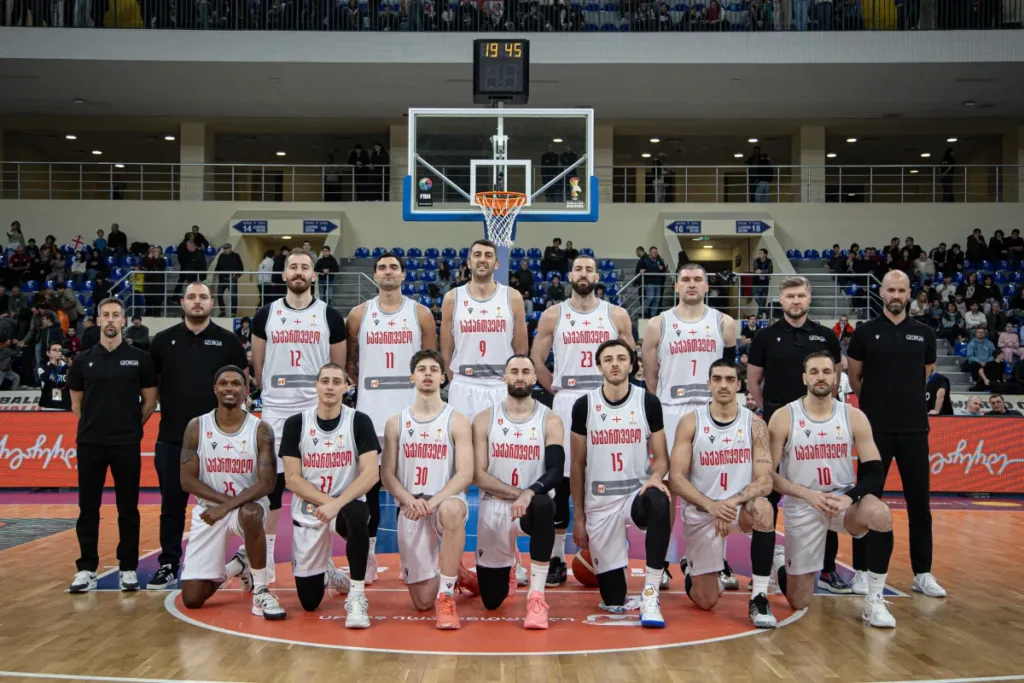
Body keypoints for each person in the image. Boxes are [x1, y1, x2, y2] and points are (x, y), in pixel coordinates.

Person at [767, 351, 897, 628]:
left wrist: (848, 498)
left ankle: (874, 600)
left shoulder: (853, 416)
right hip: (803, 503)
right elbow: (768, 475)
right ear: (804, 378)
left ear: (836, 377)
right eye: (814, 372)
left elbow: (875, 471)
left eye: (826, 371)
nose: (820, 377)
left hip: (842, 500)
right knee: (800, 601)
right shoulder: (783, 417)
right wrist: (808, 495)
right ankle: (781, 563)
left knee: (880, 514)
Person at [530, 255, 635, 586]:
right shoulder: (553, 314)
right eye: (579, 269)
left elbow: (629, 359)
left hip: (606, 402)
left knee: (605, 476)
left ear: (597, 276)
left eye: (589, 269)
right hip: (567, 398)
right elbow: (536, 359)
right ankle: (558, 556)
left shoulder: (615, 314)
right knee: (561, 479)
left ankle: (610, 552)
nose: (584, 274)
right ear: (570, 275)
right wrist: (556, 387)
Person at [847, 270, 946, 598]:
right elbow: (855, 378)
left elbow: (924, 376)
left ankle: (923, 572)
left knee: (920, 504)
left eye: (901, 290)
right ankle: (860, 571)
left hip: (915, 430)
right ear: (882, 291)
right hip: (874, 432)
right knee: (866, 501)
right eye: (890, 289)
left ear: (908, 293)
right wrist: (875, 406)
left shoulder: (925, 333)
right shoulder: (865, 332)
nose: (896, 294)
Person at [745, 275, 847, 593]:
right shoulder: (765, 336)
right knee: (767, 495)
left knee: (825, 495)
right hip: (778, 427)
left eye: (800, 295)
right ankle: (764, 572)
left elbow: (833, 379)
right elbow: (752, 382)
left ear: (809, 298)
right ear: (781, 299)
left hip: (817, 429)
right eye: (789, 296)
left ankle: (827, 570)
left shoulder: (826, 336)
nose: (795, 301)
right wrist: (773, 416)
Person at [250, 250, 347, 583]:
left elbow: (337, 367)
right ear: (283, 275)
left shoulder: (330, 316)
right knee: (272, 488)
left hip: (315, 411)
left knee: (319, 487)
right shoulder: (266, 314)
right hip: (276, 409)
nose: (299, 272)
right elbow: (258, 366)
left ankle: (323, 561)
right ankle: (267, 566)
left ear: (314, 275)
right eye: (293, 266)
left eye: (305, 267)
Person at [146, 282, 248, 590]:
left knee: (228, 505)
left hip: (218, 443)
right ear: (182, 302)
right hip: (173, 438)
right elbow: (156, 387)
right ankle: (168, 563)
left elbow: (239, 388)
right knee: (171, 506)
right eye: (192, 297)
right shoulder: (162, 341)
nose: (197, 301)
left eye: (203, 297)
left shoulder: (228, 341)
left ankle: (234, 561)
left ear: (212, 302)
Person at [641, 262, 736, 589]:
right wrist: (654, 415)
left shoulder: (725, 323)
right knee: (666, 492)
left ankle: (713, 561)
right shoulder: (657, 324)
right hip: (670, 411)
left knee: (712, 491)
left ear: (707, 286)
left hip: (712, 415)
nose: (692, 284)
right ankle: (663, 561)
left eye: (698, 279)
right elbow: (650, 374)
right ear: (676, 286)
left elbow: (730, 373)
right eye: (686, 279)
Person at [346, 251, 436, 583]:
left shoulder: (420, 313)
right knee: (368, 488)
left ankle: (412, 557)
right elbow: (351, 365)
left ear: (403, 275)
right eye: (382, 267)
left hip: (408, 416)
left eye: (394, 267)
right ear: (374, 275)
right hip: (369, 413)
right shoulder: (358, 315)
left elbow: (430, 361)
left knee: (410, 490)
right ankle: (368, 557)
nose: (388, 271)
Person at [669, 358, 777, 628]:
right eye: (717, 379)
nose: (723, 385)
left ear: (739, 385)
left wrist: (729, 502)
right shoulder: (691, 422)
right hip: (703, 511)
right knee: (707, 601)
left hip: (738, 508)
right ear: (709, 384)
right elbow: (676, 478)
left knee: (764, 508)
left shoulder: (756, 425)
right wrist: (711, 505)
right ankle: (691, 568)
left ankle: (760, 596)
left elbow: (765, 481)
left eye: (730, 379)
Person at [570, 338, 670, 627]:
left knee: (659, 497)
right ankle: (615, 571)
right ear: (598, 365)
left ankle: (650, 593)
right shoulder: (584, 405)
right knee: (613, 600)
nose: (615, 363)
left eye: (621, 358)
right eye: (609, 359)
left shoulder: (647, 402)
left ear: (631, 364)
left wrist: (654, 478)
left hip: (634, 496)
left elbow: (662, 459)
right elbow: (577, 465)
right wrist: (579, 518)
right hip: (599, 502)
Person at [380, 349, 479, 629]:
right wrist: (409, 500)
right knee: (422, 602)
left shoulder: (456, 419)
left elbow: (465, 473)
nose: (427, 374)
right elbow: (387, 473)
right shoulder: (395, 422)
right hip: (411, 508)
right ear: (412, 376)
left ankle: (446, 596)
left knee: (450, 510)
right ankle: (456, 572)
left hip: (443, 501)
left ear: (443, 378)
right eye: (422, 369)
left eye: (434, 370)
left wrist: (433, 501)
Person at [178, 366, 284, 620]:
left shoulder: (260, 429)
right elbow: (187, 481)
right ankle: (239, 564)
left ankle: (260, 589)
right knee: (192, 599)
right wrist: (224, 505)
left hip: (247, 507)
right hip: (208, 510)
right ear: (215, 389)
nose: (229, 388)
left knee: (250, 513)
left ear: (245, 390)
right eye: (223, 383)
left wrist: (227, 508)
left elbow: (267, 483)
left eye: (236, 384)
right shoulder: (196, 426)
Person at [67, 298, 158, 593]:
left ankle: (128, 567)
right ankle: (86, 569)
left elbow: (150, 401)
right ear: (97, 320)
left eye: (115, 315)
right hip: (91, 443)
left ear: (124, 321)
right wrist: (95, 426)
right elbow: (76, 404)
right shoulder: (83, 360)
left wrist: (131, 427)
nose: (110, 320)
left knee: (128, 508)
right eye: (105, 315)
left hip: (126, 442)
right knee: (88, 508)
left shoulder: (139, 358)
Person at [282, 363, 381, 628]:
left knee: (359, 515)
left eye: (336, 382)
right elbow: (292, 479)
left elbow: (371, 474)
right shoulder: (296, 424)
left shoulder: (359, 421)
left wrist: (337, 505)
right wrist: (328, 504)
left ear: (346, 387)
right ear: (316, 385)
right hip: (310, 507)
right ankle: (328, 573)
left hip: (345, 504)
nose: (330, 386)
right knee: (310, 602)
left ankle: (357, 596)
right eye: (324, 381)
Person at [472, 355, 564, 629]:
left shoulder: (550, 419)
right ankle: (510, 564)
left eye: (526, 371)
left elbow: (555, 471)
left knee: (544, 505)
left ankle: (536, 596)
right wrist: (519, 493)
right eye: (514, 371)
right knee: (491, 601)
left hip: (533, 506)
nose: (520, 376)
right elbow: (477, 474)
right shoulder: (484, 419)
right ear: (505, 377)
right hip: (495, 504)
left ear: (535, 378)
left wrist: (530, 494)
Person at [441, 239, 528, 422]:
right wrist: (456, 380)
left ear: (496, 264)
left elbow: (521, 350)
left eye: (488, 256)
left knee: (500, 447)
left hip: (500, 384)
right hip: (464, 384)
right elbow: (446, 351)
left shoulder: (512, 297)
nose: (482, 259)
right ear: (469, 262)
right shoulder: (452, 298)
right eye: (477, 255)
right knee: (463, 448)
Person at [37, 341, 70, 410]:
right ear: (48, 353)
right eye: (54, 350)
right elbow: (45, 379)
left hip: (65, 405)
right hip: (48, 406)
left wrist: (69, 363)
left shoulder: (68, 367)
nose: (58, 352)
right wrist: (53, 364)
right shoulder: (43, 368)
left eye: (60, 350)